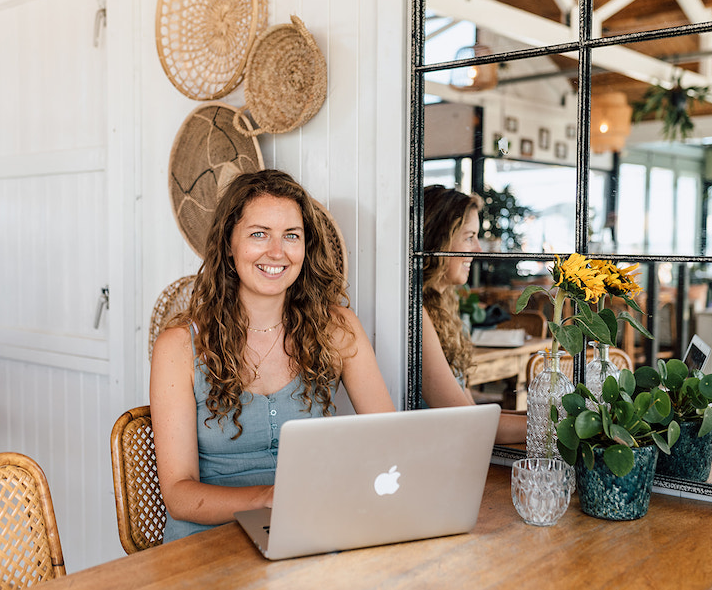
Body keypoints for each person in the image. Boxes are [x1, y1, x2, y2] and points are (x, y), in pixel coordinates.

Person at [150, 170, 395, 542]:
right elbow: (179, 495)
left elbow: (388, 440)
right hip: (204, 545)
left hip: (306, 530)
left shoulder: (337, 328)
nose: (277, 252)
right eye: (258, 234)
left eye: (291, 236)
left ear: (305, 248)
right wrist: (268, 499)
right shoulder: (179, 345)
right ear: (229, 245)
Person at [421, 185, 526, 444]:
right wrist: (563, 426)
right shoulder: (416, 316)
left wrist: (548, 417)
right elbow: (469, 422)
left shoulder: (443, 304)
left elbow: (471, 407)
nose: (478, 249)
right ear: (440, 240)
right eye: (469, 237)